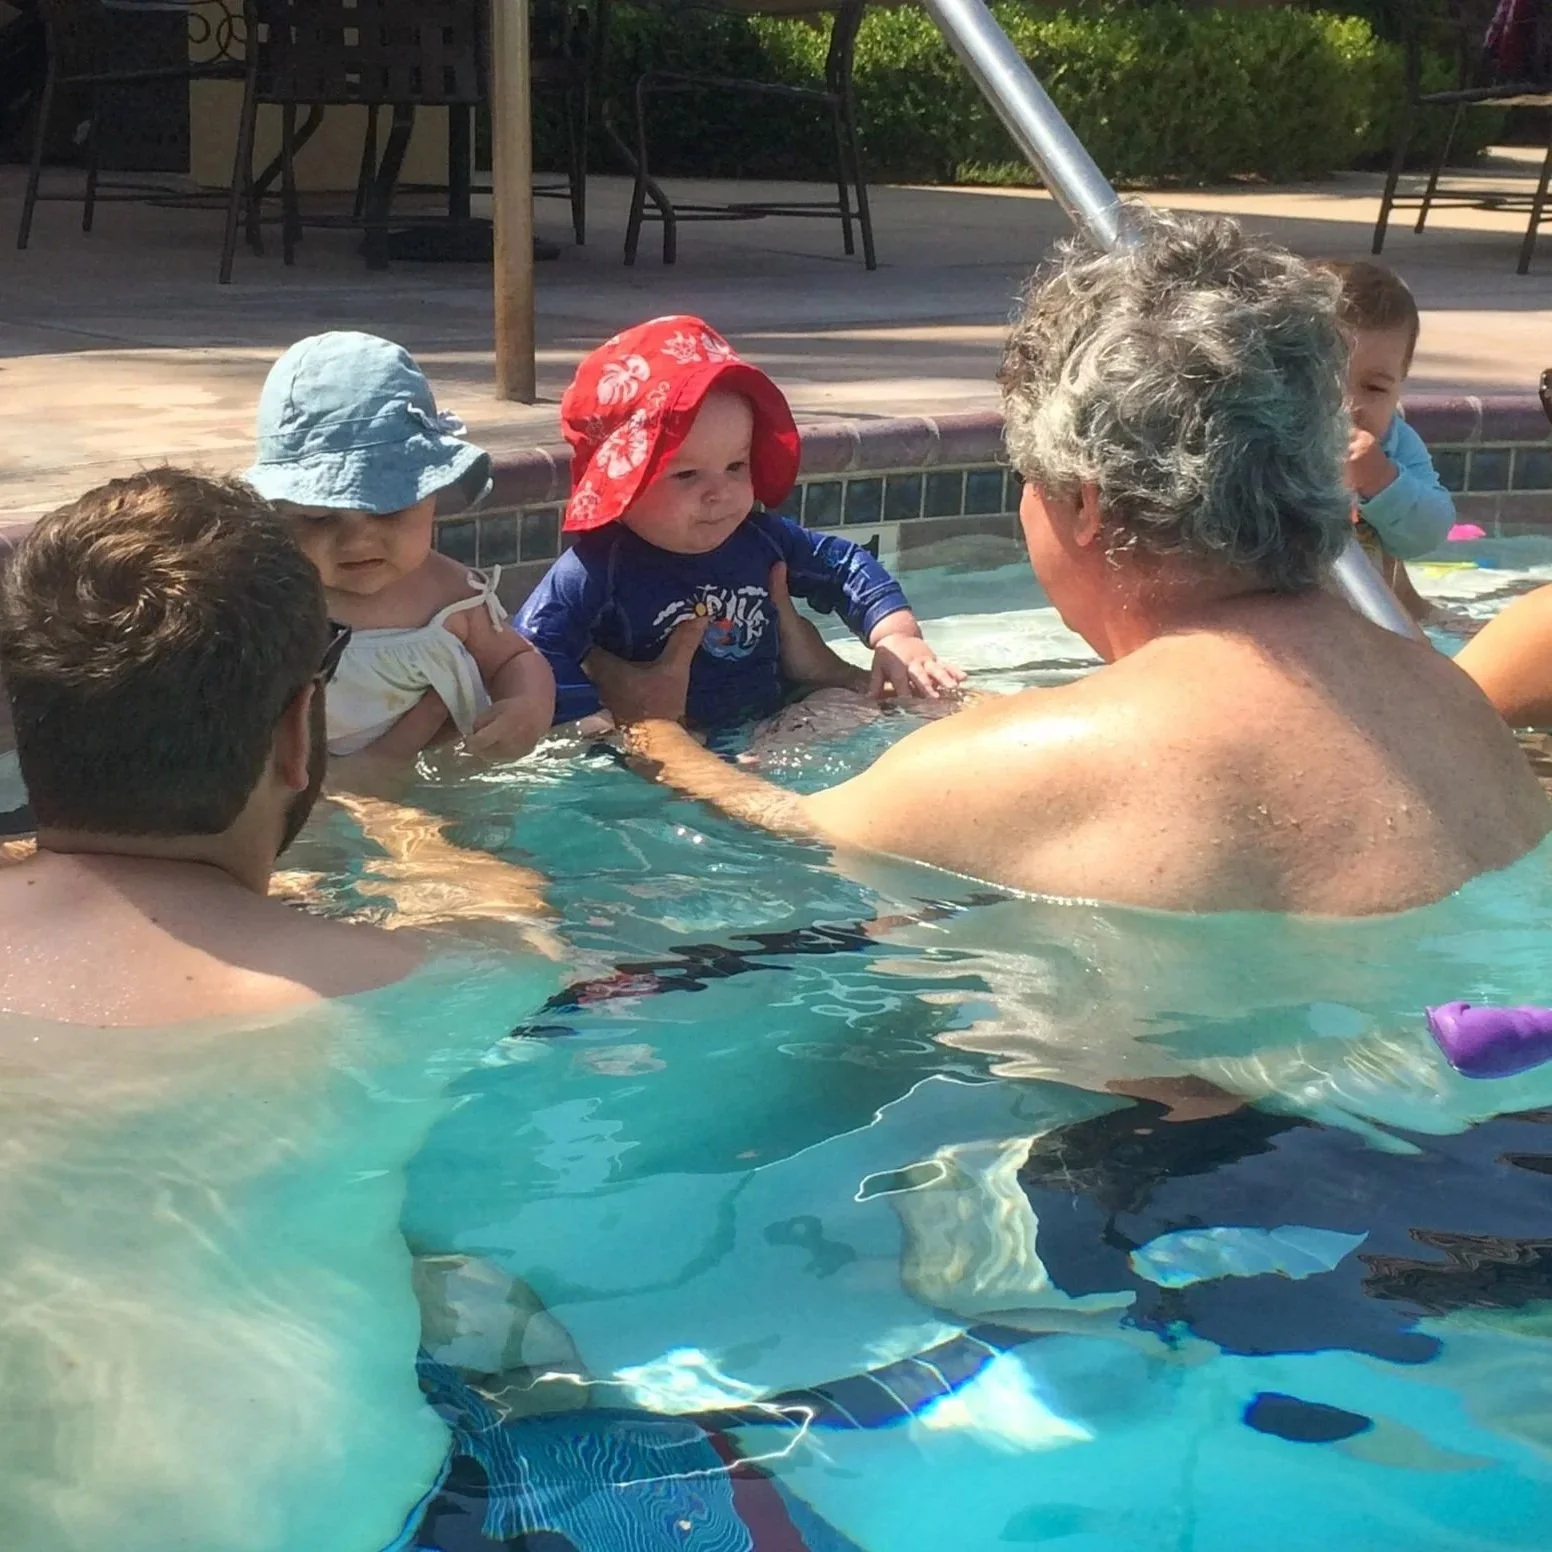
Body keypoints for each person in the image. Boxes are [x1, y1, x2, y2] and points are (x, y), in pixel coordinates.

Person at [586, 212, 1549, 916]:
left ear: (1085, 502)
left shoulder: (1021, 765)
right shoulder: (1444, 695)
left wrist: (652, 731)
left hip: (1237, 1171)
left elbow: (784, 830)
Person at [515, 315, 963, 732]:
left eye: (736, 466)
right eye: (686, 474)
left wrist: (897, 637)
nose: (720, 493)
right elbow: (533, 648)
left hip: (776, 717)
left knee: (880, 715)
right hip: (667, 741)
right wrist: (591, 720)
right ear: (622, 485)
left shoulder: (760, 536)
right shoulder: (598, 568)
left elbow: (844, 564)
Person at [247, 331, 555, 764]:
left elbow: (516, 659)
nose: (358, 540)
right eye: (319, 519)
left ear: (434, 498)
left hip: (451, 779)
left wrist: (527, 707)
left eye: (389, 511)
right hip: (328, 800)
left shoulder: (451, 594)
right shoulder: (276, 606)